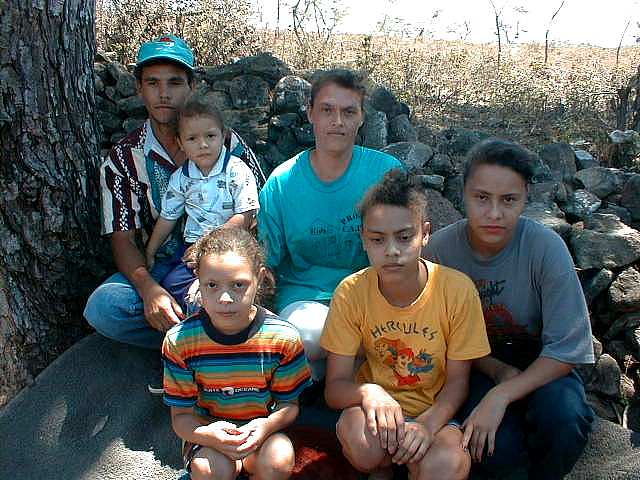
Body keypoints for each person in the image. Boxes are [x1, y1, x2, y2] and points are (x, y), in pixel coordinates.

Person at [422, 138, 595, 479]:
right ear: (463, 194)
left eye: (509, 200)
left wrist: (501, 395)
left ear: (525, 197)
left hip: (540, 361)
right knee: (492, 447)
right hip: (472, 363)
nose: (494, 213)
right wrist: (496, 372)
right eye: (481, 198)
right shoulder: (440, 252)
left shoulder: (546, 248)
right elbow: (436, 335)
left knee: (564, 420)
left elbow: (566, 349)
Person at [84, 35, 265, 350]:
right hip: (164, 266)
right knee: (105, 307)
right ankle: (204, 339)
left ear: (191, 86)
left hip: (224, 261)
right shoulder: (125, 158)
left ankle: (195, 343)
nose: (164, 93)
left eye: (175, 82)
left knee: (215, 297)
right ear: (139, 89)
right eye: (153, 83)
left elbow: (256, 213)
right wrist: (149, 289)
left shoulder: (228, 145)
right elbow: (123, 238)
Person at [320, 170, 491, 480]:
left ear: (425, 233)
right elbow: (335, 388)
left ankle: (413, 465)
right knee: (363, 445)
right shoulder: (351, 292)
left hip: (436, 414)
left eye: (404, 237)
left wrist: (427, 426)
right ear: (363, 239)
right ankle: (384, 468)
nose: (392, 251)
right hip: (374, 417)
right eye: (377, 239)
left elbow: (457, 383)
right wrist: (369, 393)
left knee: (446, 465)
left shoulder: (457, 290)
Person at [257, 69, 401, 380]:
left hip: (373, 298)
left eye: (348, 112)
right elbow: (267, 260)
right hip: (306, 299)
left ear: (361, 117)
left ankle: (323, 377)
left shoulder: (386, 172)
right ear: (310, 113)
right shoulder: (282, 183)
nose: (337, 121)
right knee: (306, 336)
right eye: (327, 110)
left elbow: (406, 242)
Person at [163, 227, 312, 480]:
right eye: (212, 285)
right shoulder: (180, 341)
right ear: (198, 280)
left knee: (278, 460)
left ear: (259, 278)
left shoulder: (282, 337)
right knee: (207, 471)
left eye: (238, 285)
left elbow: (289, 405)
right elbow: (181, 419)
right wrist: (209, 434)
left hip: (263, 434)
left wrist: (266, 426)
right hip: (209, 437)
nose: (225, 298)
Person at [145, 93, 259, 312]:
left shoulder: (236, 170)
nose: (203, 144)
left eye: (210, 136)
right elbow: (168, 217)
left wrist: (207, 244)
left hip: (231, 248)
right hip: (192, 249)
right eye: (192, 139)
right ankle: (197, 307)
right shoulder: (181, 177)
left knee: (236, 281)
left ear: (223, 136)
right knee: (170, 283)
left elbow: (245, 215)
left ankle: (213, 306)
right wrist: (150, 251)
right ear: (180, 143)